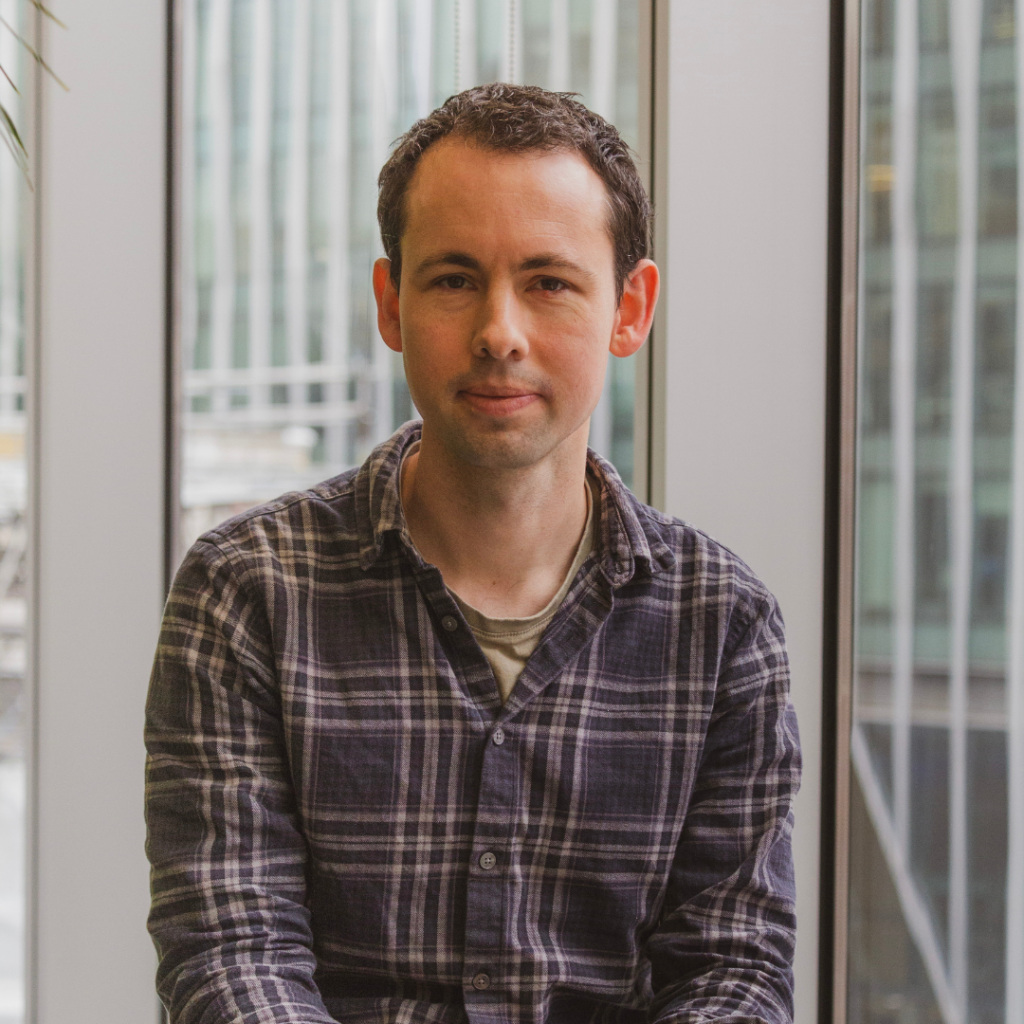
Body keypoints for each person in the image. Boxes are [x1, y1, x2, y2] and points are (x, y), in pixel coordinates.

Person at [145, 83, 801, 1024]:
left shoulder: (723, 622)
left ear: (630, 308)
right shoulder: (248, 592)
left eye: (549, 281)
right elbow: (231, 958)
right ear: (391, 303)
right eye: (454, 278)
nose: (500, 332)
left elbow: (732, 974)